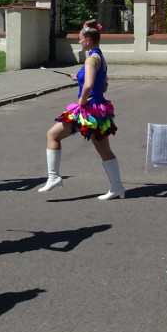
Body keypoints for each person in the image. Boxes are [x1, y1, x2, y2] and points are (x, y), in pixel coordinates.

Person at [39, 20, 124, 200]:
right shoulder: (99, 55)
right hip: (99, 108)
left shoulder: (91, 58)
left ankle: (53, 177)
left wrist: (82, 99)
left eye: (80, 39)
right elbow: (104, 83)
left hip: (88, 110)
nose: (79, 42)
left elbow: (89, 84)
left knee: (52, 135)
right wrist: (76, 77)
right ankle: (117, 187)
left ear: (88, 39)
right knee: (104, 149)